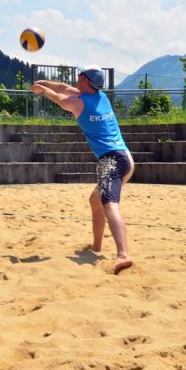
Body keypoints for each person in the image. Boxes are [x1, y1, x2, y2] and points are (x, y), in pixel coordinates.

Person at [31, 65, 135, 273]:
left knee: (109, 204)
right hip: (126, 159)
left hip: (112, 160)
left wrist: (43, 90)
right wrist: (43, 82)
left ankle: (123, 254)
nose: (76, 78)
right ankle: (96, 247)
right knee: (95, 200)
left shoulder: (79, 103)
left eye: (80, 75)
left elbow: (60, 99)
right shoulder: (101, 97)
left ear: (86, 80)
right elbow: (62, 87)